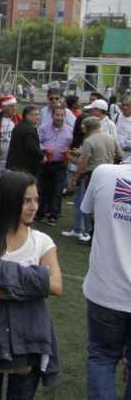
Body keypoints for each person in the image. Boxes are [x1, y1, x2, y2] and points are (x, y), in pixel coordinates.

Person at [0, 171, 63, 398]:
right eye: (27, 200)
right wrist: (34, 284)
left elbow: (56, 285)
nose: (34, 206)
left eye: (36, 200)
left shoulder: (42, 241)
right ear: (9, 199)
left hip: (31, 333)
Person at [79, 152, 131, 398]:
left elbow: (88, 211)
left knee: (102, 356)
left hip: (105, 291)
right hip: (107, 291)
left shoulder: (104, 173)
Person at [69, 117, 125, 245]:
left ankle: (94, 235)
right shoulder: (110, 138)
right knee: (105, 205)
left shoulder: (89, 141)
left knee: (93, 207)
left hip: (94, 175)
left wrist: (75, 177)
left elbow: (84, 163)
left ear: (87, 128)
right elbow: (120, 155)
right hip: (110, 174)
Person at [36, 105, 72, 226]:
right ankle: (40, 213)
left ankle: (53, 215)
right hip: (45, 163)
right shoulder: (43, 128)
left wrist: (68, 151)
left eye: (62, 115)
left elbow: (72, 147)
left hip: (60, 164)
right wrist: (44, 149)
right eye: (57, 115)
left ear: (65, 116)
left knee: (57, 190)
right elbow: (37, 142)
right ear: (52, 116)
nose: (59, 117)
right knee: (42, 189)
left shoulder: (69, 131)